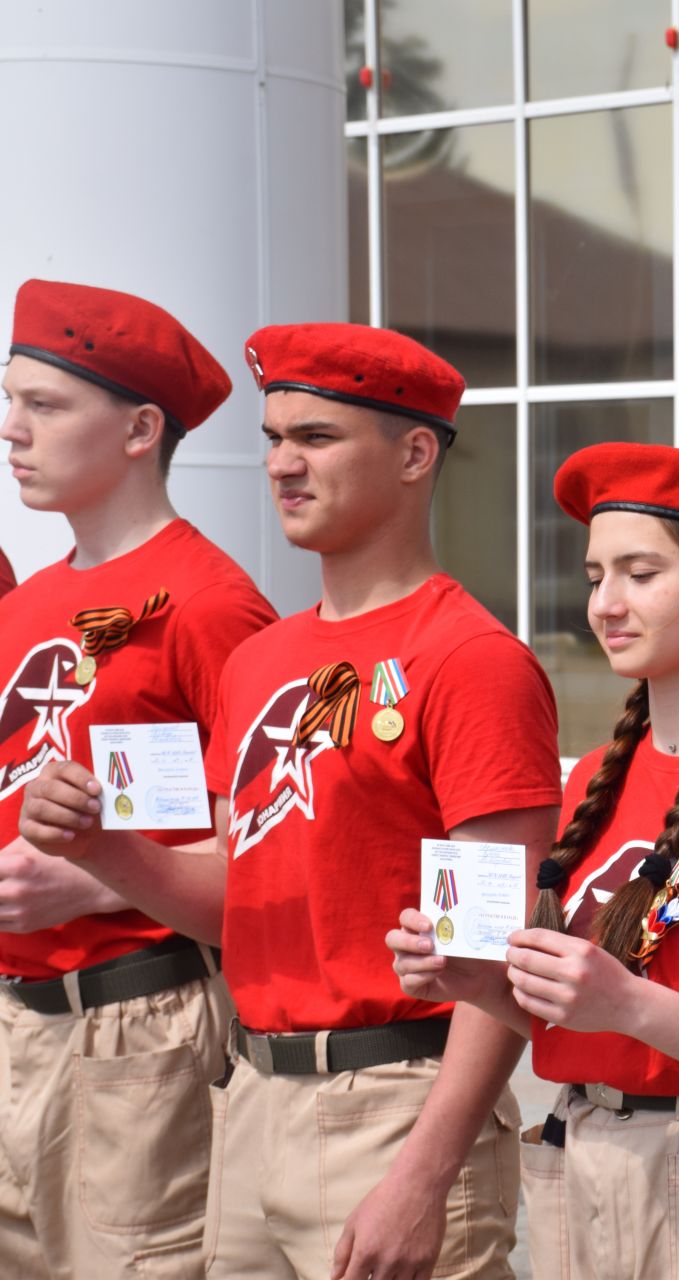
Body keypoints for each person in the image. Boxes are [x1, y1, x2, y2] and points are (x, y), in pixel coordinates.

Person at [21, 322, 563, 1280]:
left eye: (315, 438)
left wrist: (425, 1174)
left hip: (398, 1101)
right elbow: (235, 897)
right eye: (274, 438)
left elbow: (498, 956)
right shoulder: (262, 660)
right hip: (252, 1100)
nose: (282, 464)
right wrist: (106, 848)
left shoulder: (472, 660)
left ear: (414, 453)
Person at [388, 441, 679, 1278]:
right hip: (585, 1156)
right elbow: (589, 1021)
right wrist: (472, 979)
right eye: (594, 575)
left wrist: (630, 1004)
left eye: (641, 575)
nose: (606, 603)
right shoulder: (598, 780)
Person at [0, 278, 274, 1278]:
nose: (11, 429)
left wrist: (89, 877)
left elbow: (272, 850)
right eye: (9, 398)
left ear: (139, 427)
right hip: (17, 1022)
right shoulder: (28, 603)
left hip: (141, 1031)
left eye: (45, 404)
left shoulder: (212, 606)